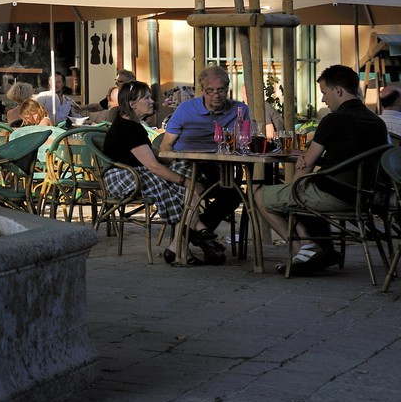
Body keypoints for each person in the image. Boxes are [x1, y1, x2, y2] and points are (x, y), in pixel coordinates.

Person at [257, 65, 389, 276]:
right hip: (365, 197)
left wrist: (293, 187)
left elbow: (308, 163)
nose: (323, 100)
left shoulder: (333, 120)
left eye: (324, 93)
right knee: (306, 189)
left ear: (338, 91)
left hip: (332, 195)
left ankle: (302, 251)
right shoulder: (377, 123)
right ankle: (321, 249)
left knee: (261, 195)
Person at [98, 79, 209, 266]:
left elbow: (152, 156)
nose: (152, 101)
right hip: (123, 178)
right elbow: (153, 166)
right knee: (176, 182)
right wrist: (185, 181)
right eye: (147, 98)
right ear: (132, 104)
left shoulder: (131, 124)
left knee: (183, 170)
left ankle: (178, 247)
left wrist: (176, 159)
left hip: (135, 173)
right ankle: (194, 226)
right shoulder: (129, 128)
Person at [159, 64, 248, 260]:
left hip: (219, 168)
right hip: (187, 165)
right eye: (210, 91)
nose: (215, 95)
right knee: (192, 188)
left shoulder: (239, 111)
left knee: (234, 196)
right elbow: (165, 147)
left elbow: (245, 143)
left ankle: (185, 240)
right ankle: (203, 237)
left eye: (220, 90)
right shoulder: (185, 109)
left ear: (227, 89)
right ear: (202, 90)